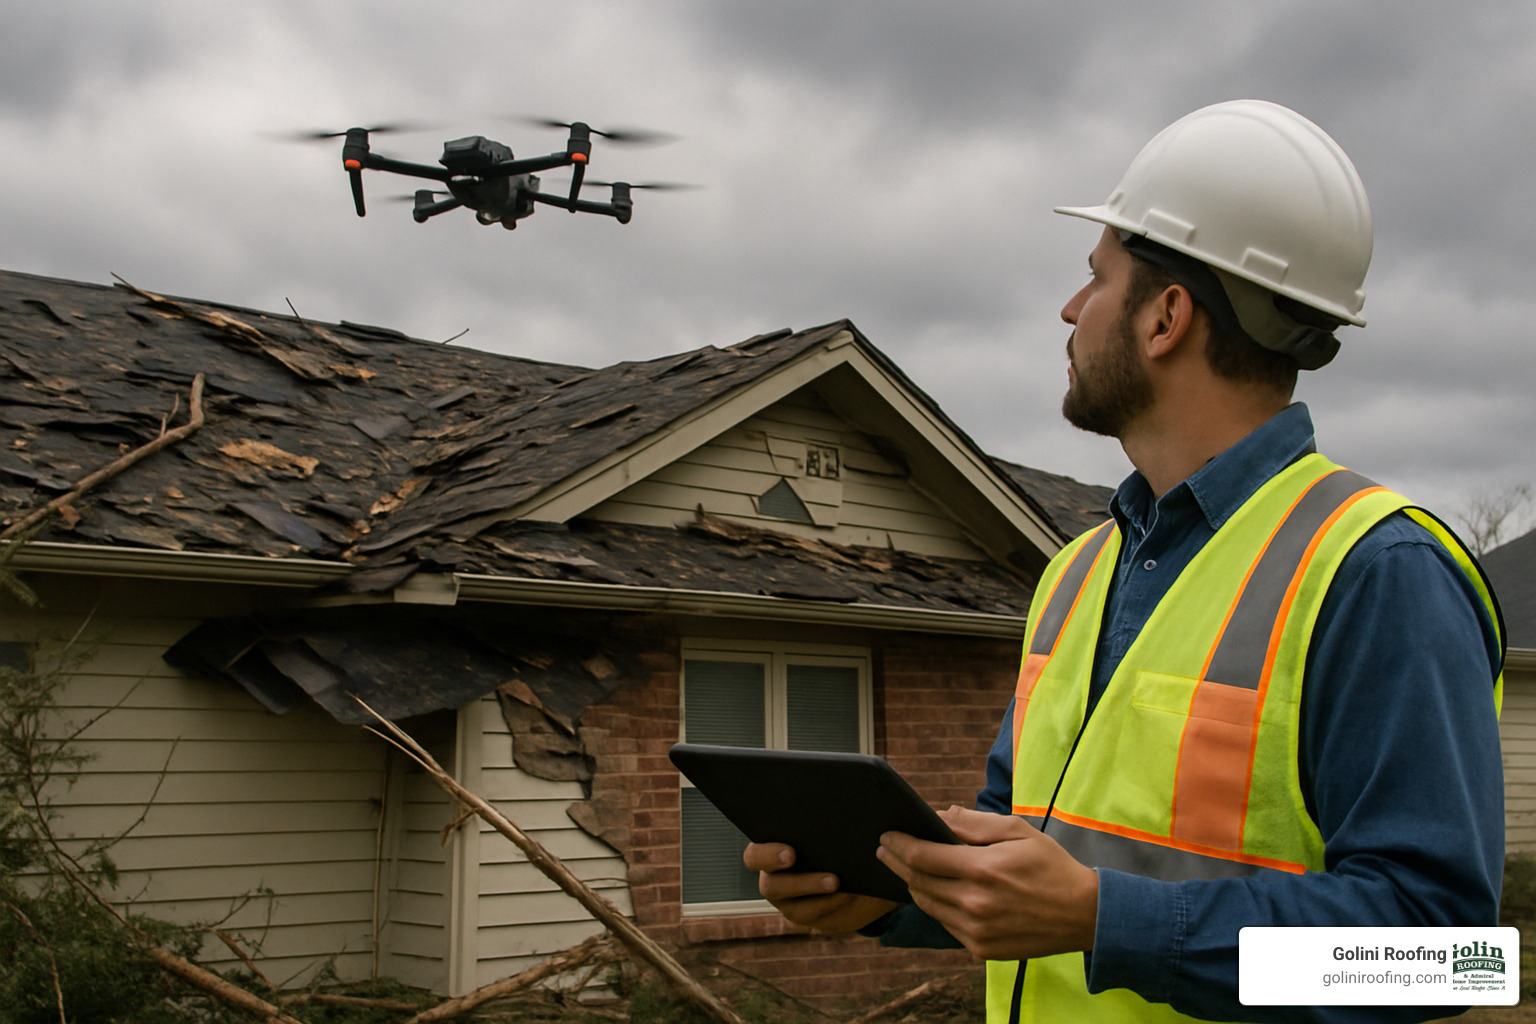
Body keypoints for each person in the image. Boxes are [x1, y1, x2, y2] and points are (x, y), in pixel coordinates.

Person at [744, 99, 1505, 1023]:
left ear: (1167, 317)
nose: (1069, 309)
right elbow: (1027, 866)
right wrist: (889, 894)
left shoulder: (1376, 572)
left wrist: (1107, 919)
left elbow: (1443, 960)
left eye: (1095, 277)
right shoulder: (1076, 573)